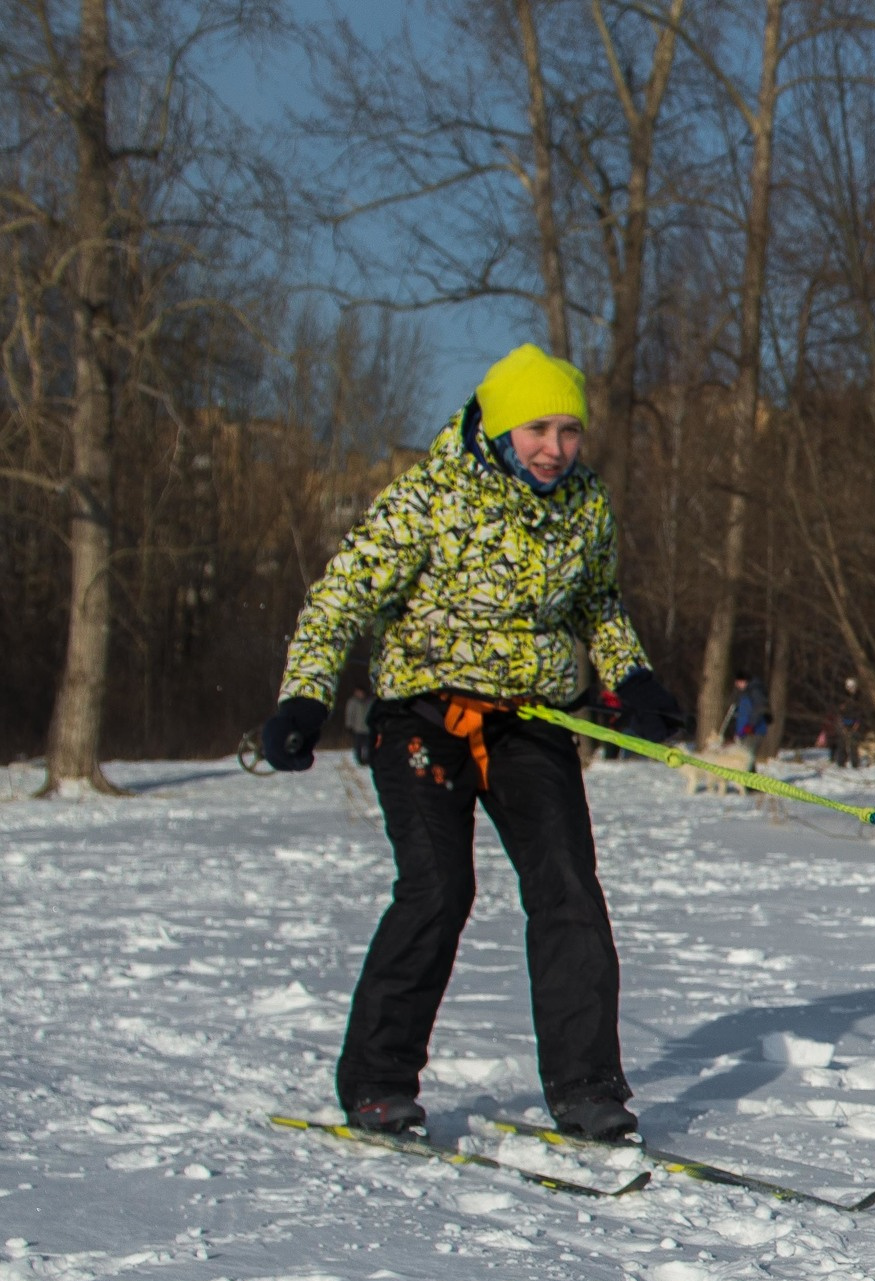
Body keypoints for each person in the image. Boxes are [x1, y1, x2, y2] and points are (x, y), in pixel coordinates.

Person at [258, 344, 686, 1142]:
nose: (554, 448)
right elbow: (338, 598)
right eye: (537, 429)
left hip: (531, 719)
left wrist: (634, 680)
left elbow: (598, 603)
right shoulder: (431, 495)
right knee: (438, 890)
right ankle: (378, 1081)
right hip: (425, 719)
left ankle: (587, 1086)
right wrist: (304, 698)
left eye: (569, 430)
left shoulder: (586, 504)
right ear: (496, 426)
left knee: (567, 888)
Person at [723, 675, 770, 750]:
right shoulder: (743, 695)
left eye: (739, 682)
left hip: (752, 732)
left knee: (745, 754)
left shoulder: (755, 692)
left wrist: (749, 727)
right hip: (743, 732)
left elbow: (758, 710)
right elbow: (738, 714)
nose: (737, 685)